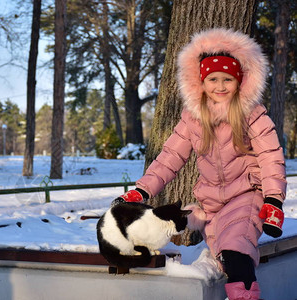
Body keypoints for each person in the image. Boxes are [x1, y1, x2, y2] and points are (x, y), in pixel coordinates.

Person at [114, 28, 286, 300]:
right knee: (225, 258)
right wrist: (143, 189)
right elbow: (170, 156)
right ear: (201, 83)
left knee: (236, 249)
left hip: (246, 194)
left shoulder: (252, 114)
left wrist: (273, 200)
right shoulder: (193, 118)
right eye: (213, 79)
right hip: (212, 204)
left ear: (239, 81)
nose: (220, 86)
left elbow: (271, 156)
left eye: (227, 79)